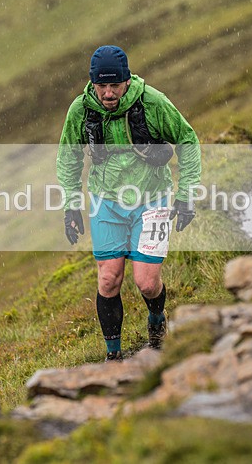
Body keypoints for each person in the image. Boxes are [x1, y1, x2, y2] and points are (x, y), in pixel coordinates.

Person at [56, 45, 201, 362]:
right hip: (105, 202)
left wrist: (187, 193)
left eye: (115, 86)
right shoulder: (81, 110)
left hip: (153, 200)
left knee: (147, 283)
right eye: (102, 85)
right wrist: (71, 206)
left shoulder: (152, 102)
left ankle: (156, 320)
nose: (108, 93)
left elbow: (188, 141)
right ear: (93, 82)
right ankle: (113, 356)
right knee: (108, 279)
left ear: (126, 80)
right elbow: (68, 157)